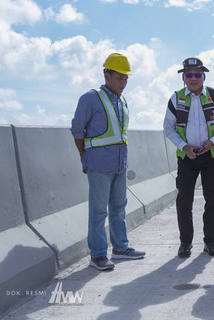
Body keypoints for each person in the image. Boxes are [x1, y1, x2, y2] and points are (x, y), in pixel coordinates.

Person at [70, 52, 146, 271]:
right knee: (98, 210)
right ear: (107, 75)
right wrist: (83, 156)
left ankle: (121, 248)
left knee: (119, 208)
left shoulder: (122, 100)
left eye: (126, 79)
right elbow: (77, 130)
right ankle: (98, 255)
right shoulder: (90, 98)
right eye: (119, 78)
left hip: (119, 163)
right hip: (98, 163)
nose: (123, 83)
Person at [163, 57, 214, 258]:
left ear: (203, 76)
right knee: (184, 199)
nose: (193, 78)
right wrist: (184, 146)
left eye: (197, 74)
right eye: (188, 74)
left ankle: (210, 242)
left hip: (211, 155)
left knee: (213, 199)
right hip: (187, 158)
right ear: (183, 77)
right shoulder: (176, 98)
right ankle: (185, 243)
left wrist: (213, 141)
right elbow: (168, 127)